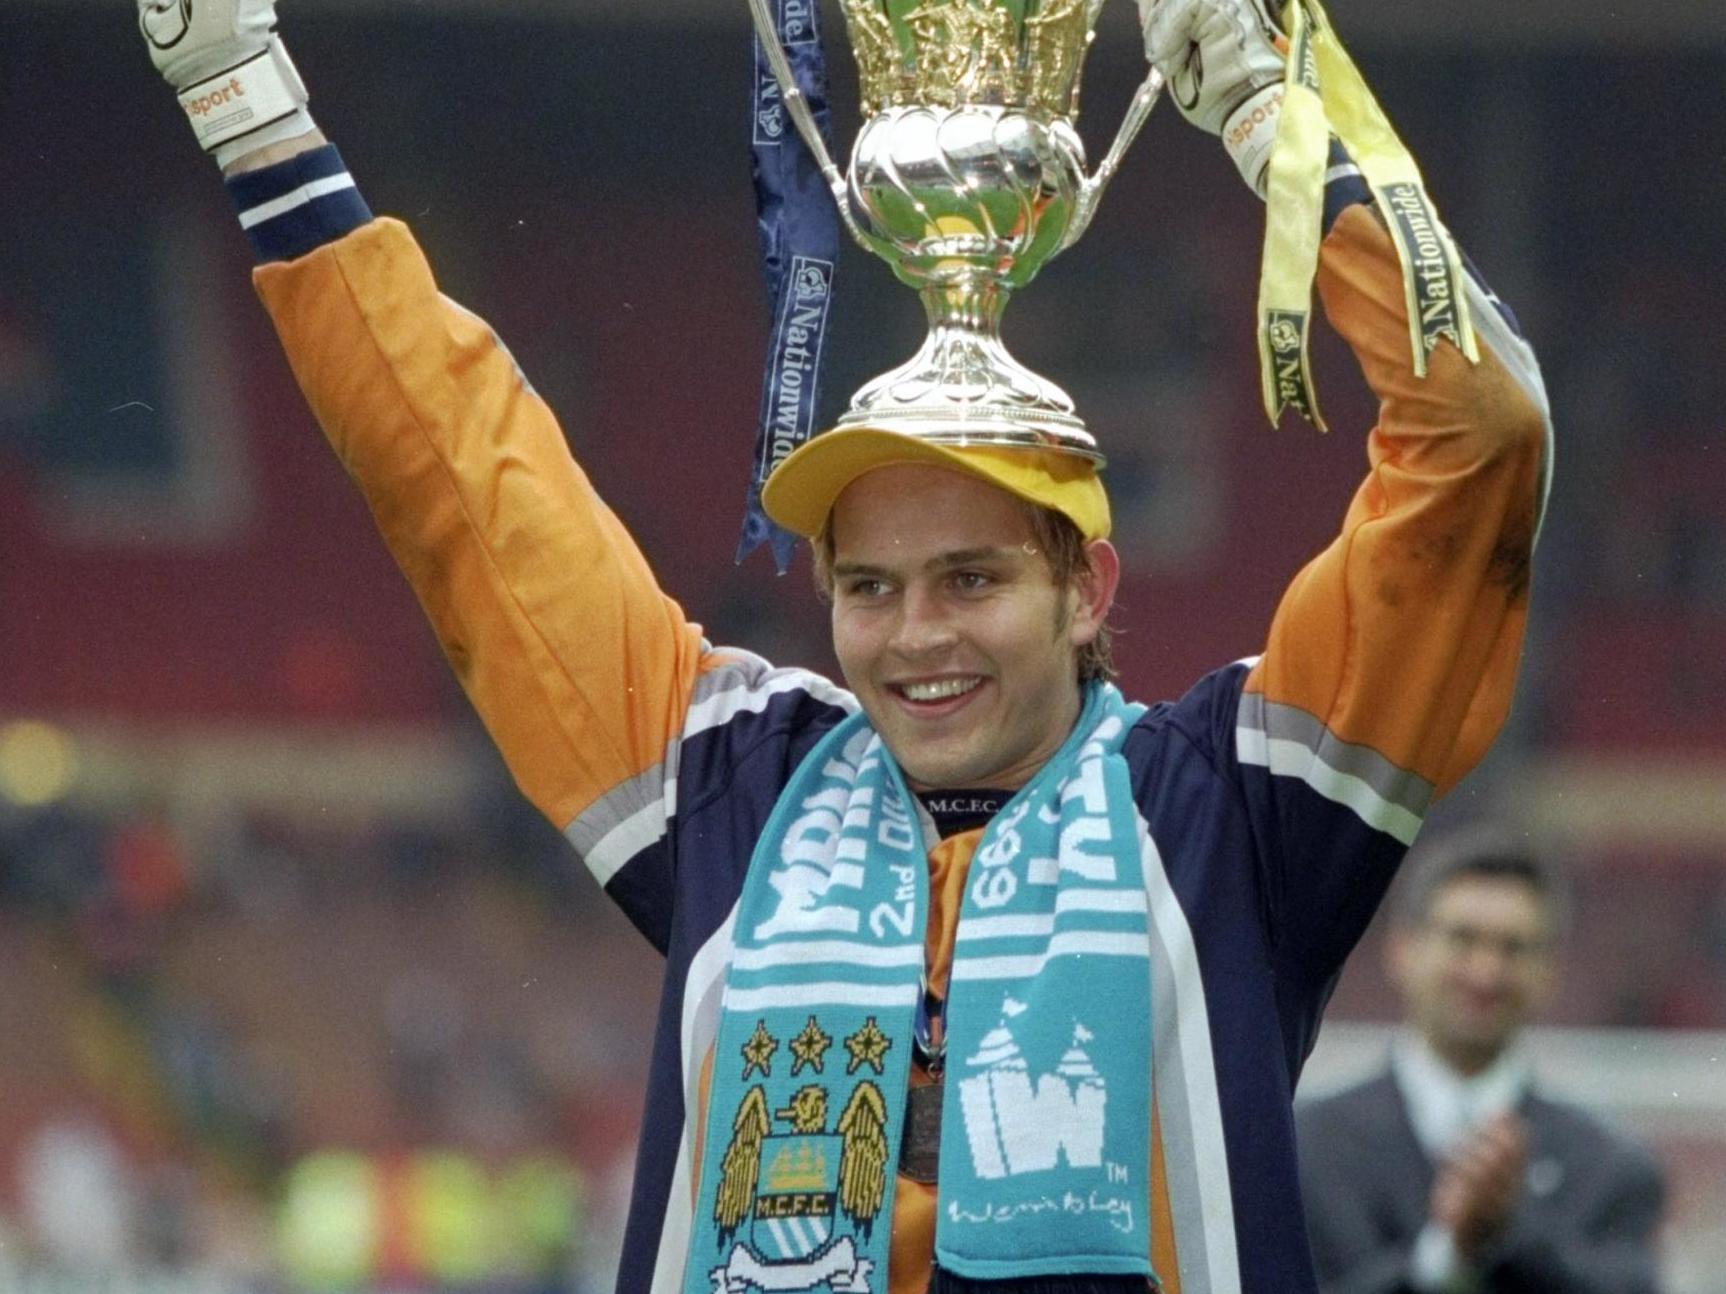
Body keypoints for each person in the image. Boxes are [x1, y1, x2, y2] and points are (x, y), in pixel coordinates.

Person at [135, 0, 1550, 1290]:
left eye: (970, 577)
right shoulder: (730, 780)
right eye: (866, 585)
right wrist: (246, 102)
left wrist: (1274, 104)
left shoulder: (1238, 805)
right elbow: (461, 474)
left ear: (1087, 586)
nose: (914, 633)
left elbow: (1479, 444)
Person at [1296, 830, 1666, 1293]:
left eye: (1513, 947)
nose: (1486, 972)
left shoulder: (1612, 1167)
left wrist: (1504, 1236)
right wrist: (1446, 1258)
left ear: (1550, 972)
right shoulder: (1305, 1150)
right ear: (1401, 949)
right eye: (1462, 939)